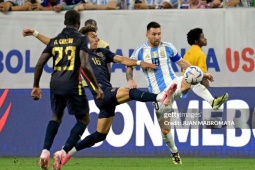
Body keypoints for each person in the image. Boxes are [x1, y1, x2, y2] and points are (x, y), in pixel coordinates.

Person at [23, 25, 176, 170]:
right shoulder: (80, 51)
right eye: (93, 36)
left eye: (97, 36)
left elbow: (121, 60)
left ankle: (65, 154)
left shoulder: (103, 52)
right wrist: (35, 34)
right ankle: (160, 97)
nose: (96, 39)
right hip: (102, 93)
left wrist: (139, 62)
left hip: (105, 99)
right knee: (129, 92)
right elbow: (52, 43)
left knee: (99, 135)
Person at [126, 21, 229, 165]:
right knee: (166, 130)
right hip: (160, 95)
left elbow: (182, 63)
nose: (157, 37)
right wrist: (130, 80)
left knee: (192, 76)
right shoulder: (140, 52)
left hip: (174, 83)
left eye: (159, 33)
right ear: (147, 34)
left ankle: (213, 101)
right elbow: (129, 66)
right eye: (154, 34)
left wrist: (203, 74)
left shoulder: (168, 47)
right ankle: (174, 152)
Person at [29, 10, 104, 170]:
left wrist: (36, 86)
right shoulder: (81, 39)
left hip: (55, 83)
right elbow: (84, 65)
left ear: (65, 22)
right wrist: (96, 87)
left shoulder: (55, 40)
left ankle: (44, 151)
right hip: (72, 84)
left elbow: (40, 63)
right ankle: (63, 152)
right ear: (78, 24)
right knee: (83, 120)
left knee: (56, 117)